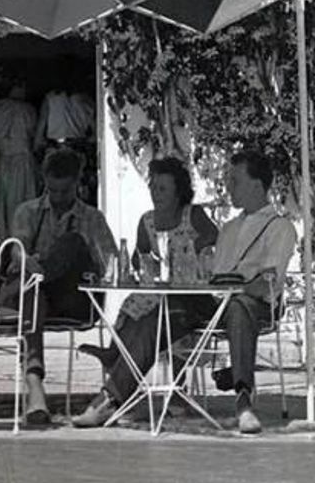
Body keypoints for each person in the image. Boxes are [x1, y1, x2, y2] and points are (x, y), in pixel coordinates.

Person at [72, 150, 296, 434]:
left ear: (256, 185)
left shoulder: (281, 228)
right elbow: (213, 274)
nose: (229, 186)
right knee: (162, 308)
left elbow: (267, 282)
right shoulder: (229, 228)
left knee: (240, 305)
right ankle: (108, 399)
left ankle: (244, 402)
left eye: (235, 180)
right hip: (217, 301)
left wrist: (232, 288)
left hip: (256, 303)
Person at [0, 148, 117, 424]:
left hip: (76, 298)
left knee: (72, 242)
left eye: (64, 191)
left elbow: (109, 262)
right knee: (34, 290)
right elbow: (17, 252)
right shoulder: (28, 212)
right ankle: (34, 385)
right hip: (35, 296)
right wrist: (32, 263)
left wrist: (72, 259)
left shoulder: (92, 218)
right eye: (52, 190)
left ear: (76, 184)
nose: (58, 198)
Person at [78, 157, 219, 368]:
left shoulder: (193, 214)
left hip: (191, 288)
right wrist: (141, 265)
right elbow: (138, 257)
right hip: (160, 286)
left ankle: (176, 384)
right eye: (153, 187)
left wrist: (191, 250)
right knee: (133, 302)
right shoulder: (148, 221)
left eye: (163, 189)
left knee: (172, 314)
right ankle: (115, 353)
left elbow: (213, 235)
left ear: (178, 191)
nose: (156, 194)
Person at [0, 78, 38, 240]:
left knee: (2, 203)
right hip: (21, 161)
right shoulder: (28, 110)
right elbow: (32, 134)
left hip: (3, 161)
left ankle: (4, 239)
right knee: (20, 200)